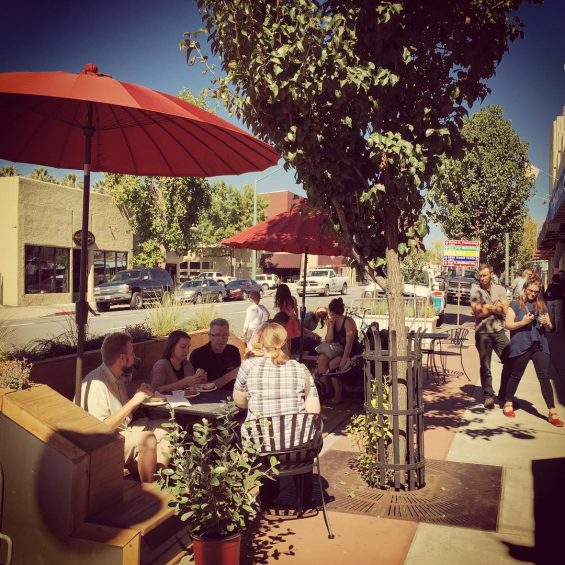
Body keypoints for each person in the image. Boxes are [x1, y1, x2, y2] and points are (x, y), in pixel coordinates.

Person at [233, 322, 320, 508]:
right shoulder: (300, 368)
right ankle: (304, 498)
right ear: (286, 343)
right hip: (299, 452)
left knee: (264, 440)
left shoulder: (248, 367)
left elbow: (239, 402)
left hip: (261, 452)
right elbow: (314, 410)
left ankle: (268, 497)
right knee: (300, 437)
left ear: (261, 344)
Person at [81, 332, 170, 483]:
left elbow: (124, 412)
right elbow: (102, 428)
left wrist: (138, 395)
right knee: (147, 439)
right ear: (122, 358)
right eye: (132, 353)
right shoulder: (96, 384)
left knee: (170, 427)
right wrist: (134, 401)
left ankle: (157, 481)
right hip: (106, 444)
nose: (134, 357)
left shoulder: (118, 376)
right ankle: (149, 492)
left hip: (126, 429)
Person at [502, 274, 563, 426]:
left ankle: (552, 412)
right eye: (530, 290)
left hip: (539, 345)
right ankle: (508, 402)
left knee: (544, 376)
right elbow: (507, 325)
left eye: (536, 292)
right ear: (525, 288)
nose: (532, 294)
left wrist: (548, 323)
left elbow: (549, 328)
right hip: (522, 345)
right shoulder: (515, 304)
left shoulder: (541, 305)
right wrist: (523, 322)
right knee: (516, 375)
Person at [470, 263, 511, 409]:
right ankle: (488, 396)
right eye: (480, 275)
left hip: (499, 331)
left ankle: (503, 393)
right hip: (482, 333)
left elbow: (504, 309)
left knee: (510, 360)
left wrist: (487, 307)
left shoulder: (500, 289)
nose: (482, 278)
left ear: (491, 274)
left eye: (485, 275)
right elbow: (477, 312)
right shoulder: (475, 290)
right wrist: (495, 307)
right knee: (485, 365)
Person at [317, 297, 363, 405]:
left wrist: (344, 359)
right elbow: (328, 339)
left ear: (332, 312)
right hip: (338, 349)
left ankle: (338, 396)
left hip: (352, 351)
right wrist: (331, 326)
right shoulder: (332, 322)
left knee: (333, 364)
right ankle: (326, 389)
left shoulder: (348, 322)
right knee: (322, 359)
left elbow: (349, 343)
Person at [189, 318, 241, 389]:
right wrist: (230, 375)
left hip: (232, 394)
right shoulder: (198, 355)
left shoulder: (233, 351)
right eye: (217, 335)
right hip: (208, 397)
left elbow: (240, 381)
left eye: (225, 335)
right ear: (210, 336)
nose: (221, 339)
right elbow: (199, 387)